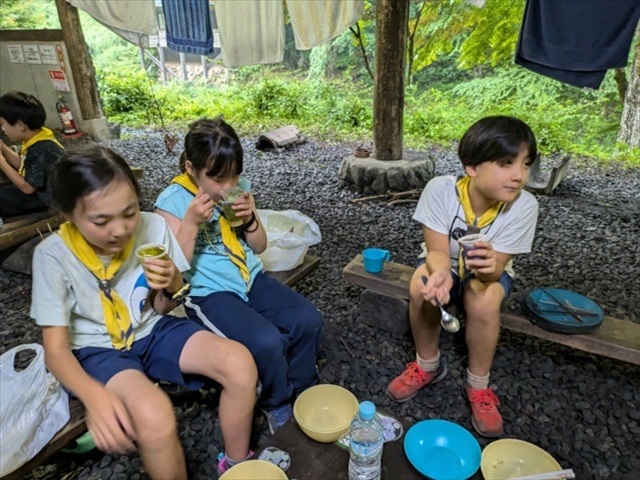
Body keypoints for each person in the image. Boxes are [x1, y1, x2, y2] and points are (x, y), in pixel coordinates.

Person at [30, 146, 258, 479]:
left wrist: (172, 282)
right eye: (100, 220)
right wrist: (94, 397)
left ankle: (239, 467)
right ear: (68, 214)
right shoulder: (53, 256)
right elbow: (55, 350)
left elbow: (161, 307)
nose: (120, 230)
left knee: (240, 364)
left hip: (152, 328)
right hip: (98, 350)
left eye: (129, 212)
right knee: (155, 414)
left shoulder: (152, 228)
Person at [155, 117, 323, 434]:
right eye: (218, 179)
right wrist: (191, 222)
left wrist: (249, 221)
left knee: (308, 319)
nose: (229, 186)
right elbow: (173, 272)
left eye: (234, 176)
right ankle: (278, 404)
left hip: (249, 278)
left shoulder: (239, 189)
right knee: (267, 341)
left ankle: (305, 388)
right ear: (192, 169)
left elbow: (258, 247)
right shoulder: (172, 202)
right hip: (208, 292)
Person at [386, 116, 539, 438]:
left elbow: (498, 269)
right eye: (506, 163)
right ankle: (428, 364)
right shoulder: (441, 190)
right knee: (421, 285)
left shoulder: (524, 206)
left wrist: (489, 267)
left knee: (485, 299)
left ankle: (478, 385)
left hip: (490, 272)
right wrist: (440, 275)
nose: (519, 176)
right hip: (444, 261)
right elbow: (437, 251)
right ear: (472, 167)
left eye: (525, 164)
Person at [0, 90, 64, 217]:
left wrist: (1, 162)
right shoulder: (37, 136)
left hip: (47, 200)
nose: (3, 129)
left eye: (3, 124)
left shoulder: (41, 148)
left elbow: (28, 188)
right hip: (41, 192)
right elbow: (23, 164)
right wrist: (2, 147)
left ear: (20, 125)